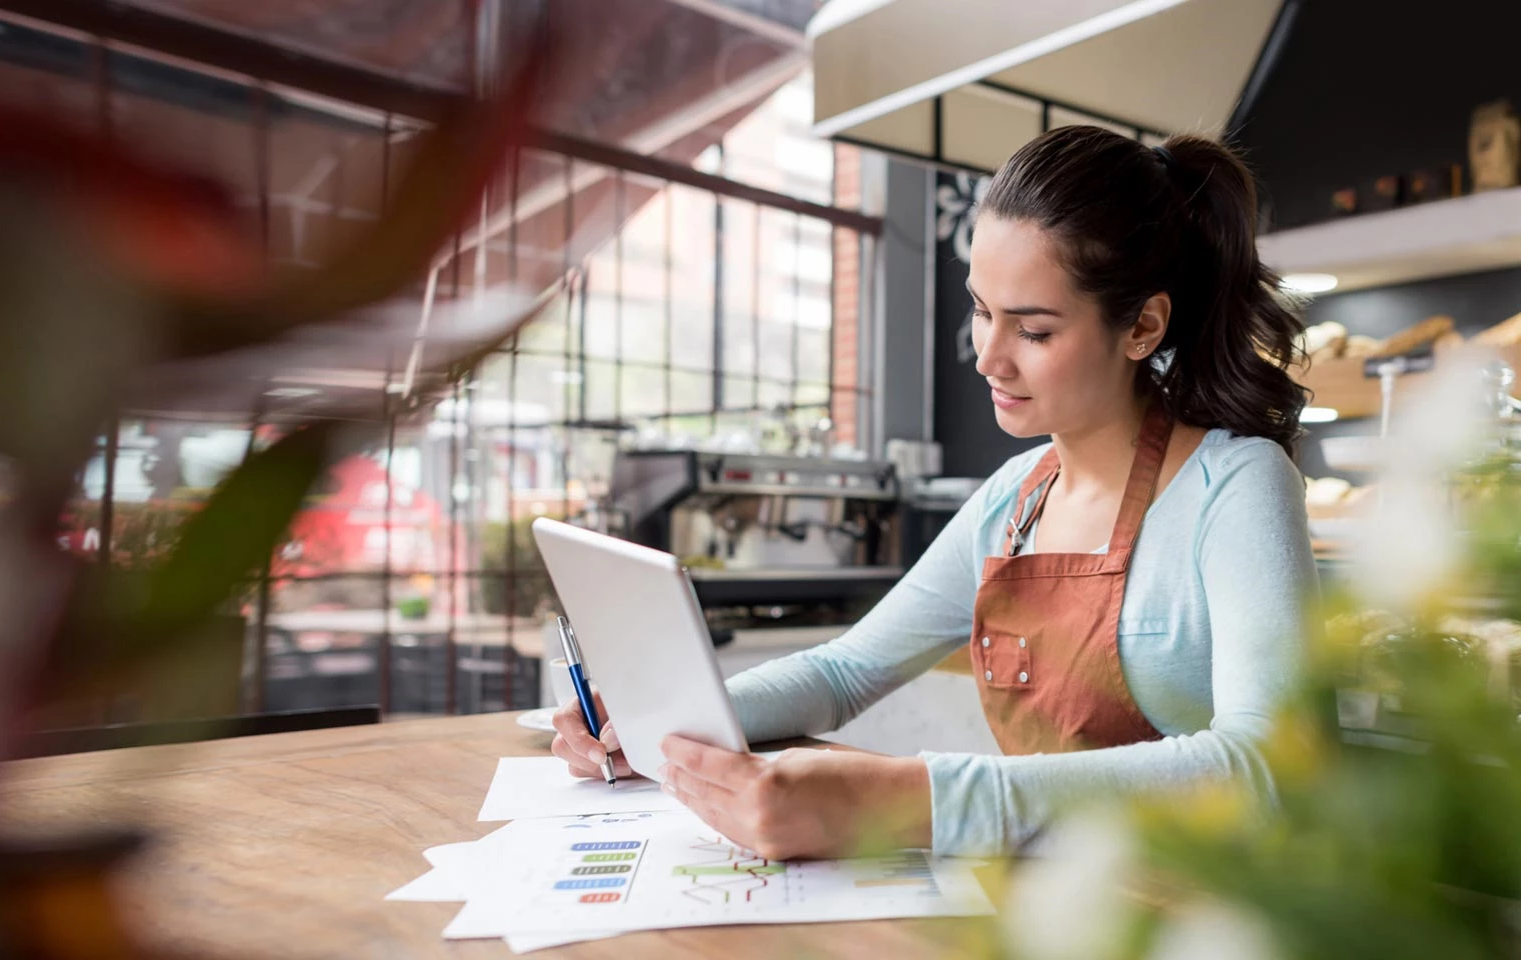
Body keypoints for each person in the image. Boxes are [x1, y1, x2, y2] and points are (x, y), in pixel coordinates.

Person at [551, 125, 1317, 859]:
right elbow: (844, 671)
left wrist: (903, 798)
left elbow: (1264, 768)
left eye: (1035, 330)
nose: (988, 357)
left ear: (1143, 327)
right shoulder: (1012, 500)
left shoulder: (1237, 485)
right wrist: (659, 721)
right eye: (982, 311)